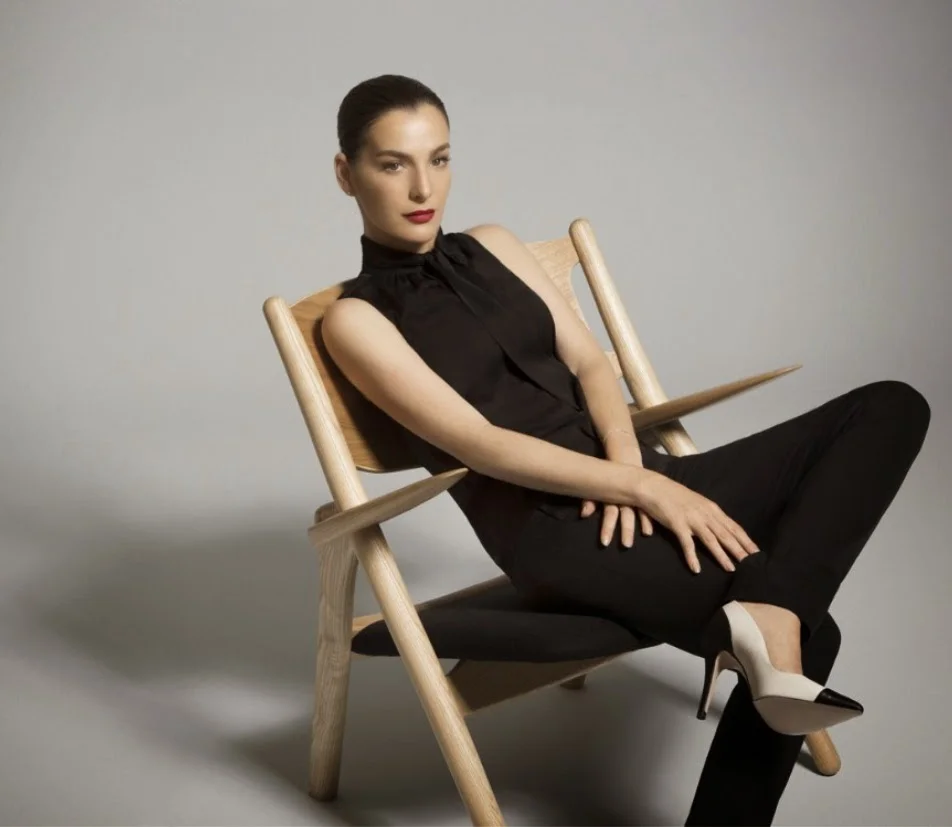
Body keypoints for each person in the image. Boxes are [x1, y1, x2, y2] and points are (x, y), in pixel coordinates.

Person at [322, 74, 931, 826]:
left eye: (439, 159)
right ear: (346, 173)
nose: (424, 187)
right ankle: (773, 628)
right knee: (817, 629)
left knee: (891, 406)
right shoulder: (356, 320)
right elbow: (480, 444)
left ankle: (767, 612)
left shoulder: (495, 244)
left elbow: (590, 363)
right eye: (393, 164)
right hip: (554, 527)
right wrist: (638, 490)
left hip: (635, 471)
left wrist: (633, 467)